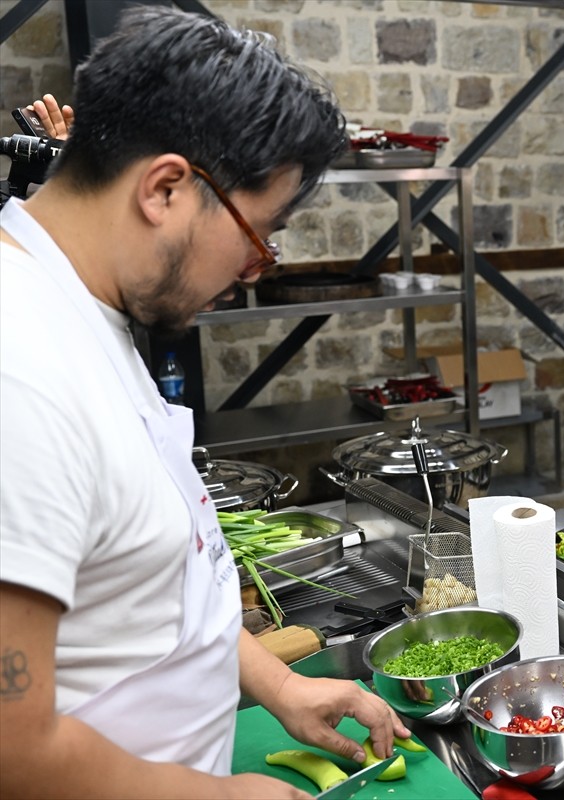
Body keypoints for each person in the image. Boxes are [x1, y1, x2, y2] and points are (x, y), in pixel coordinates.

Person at [0, 7, 408, 798]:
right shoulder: (21, 367)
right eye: (258, 235)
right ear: (165, 188)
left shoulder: (83, 306)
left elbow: (155, 583)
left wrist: (281, 689)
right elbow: (11, 747)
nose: (254, 270)